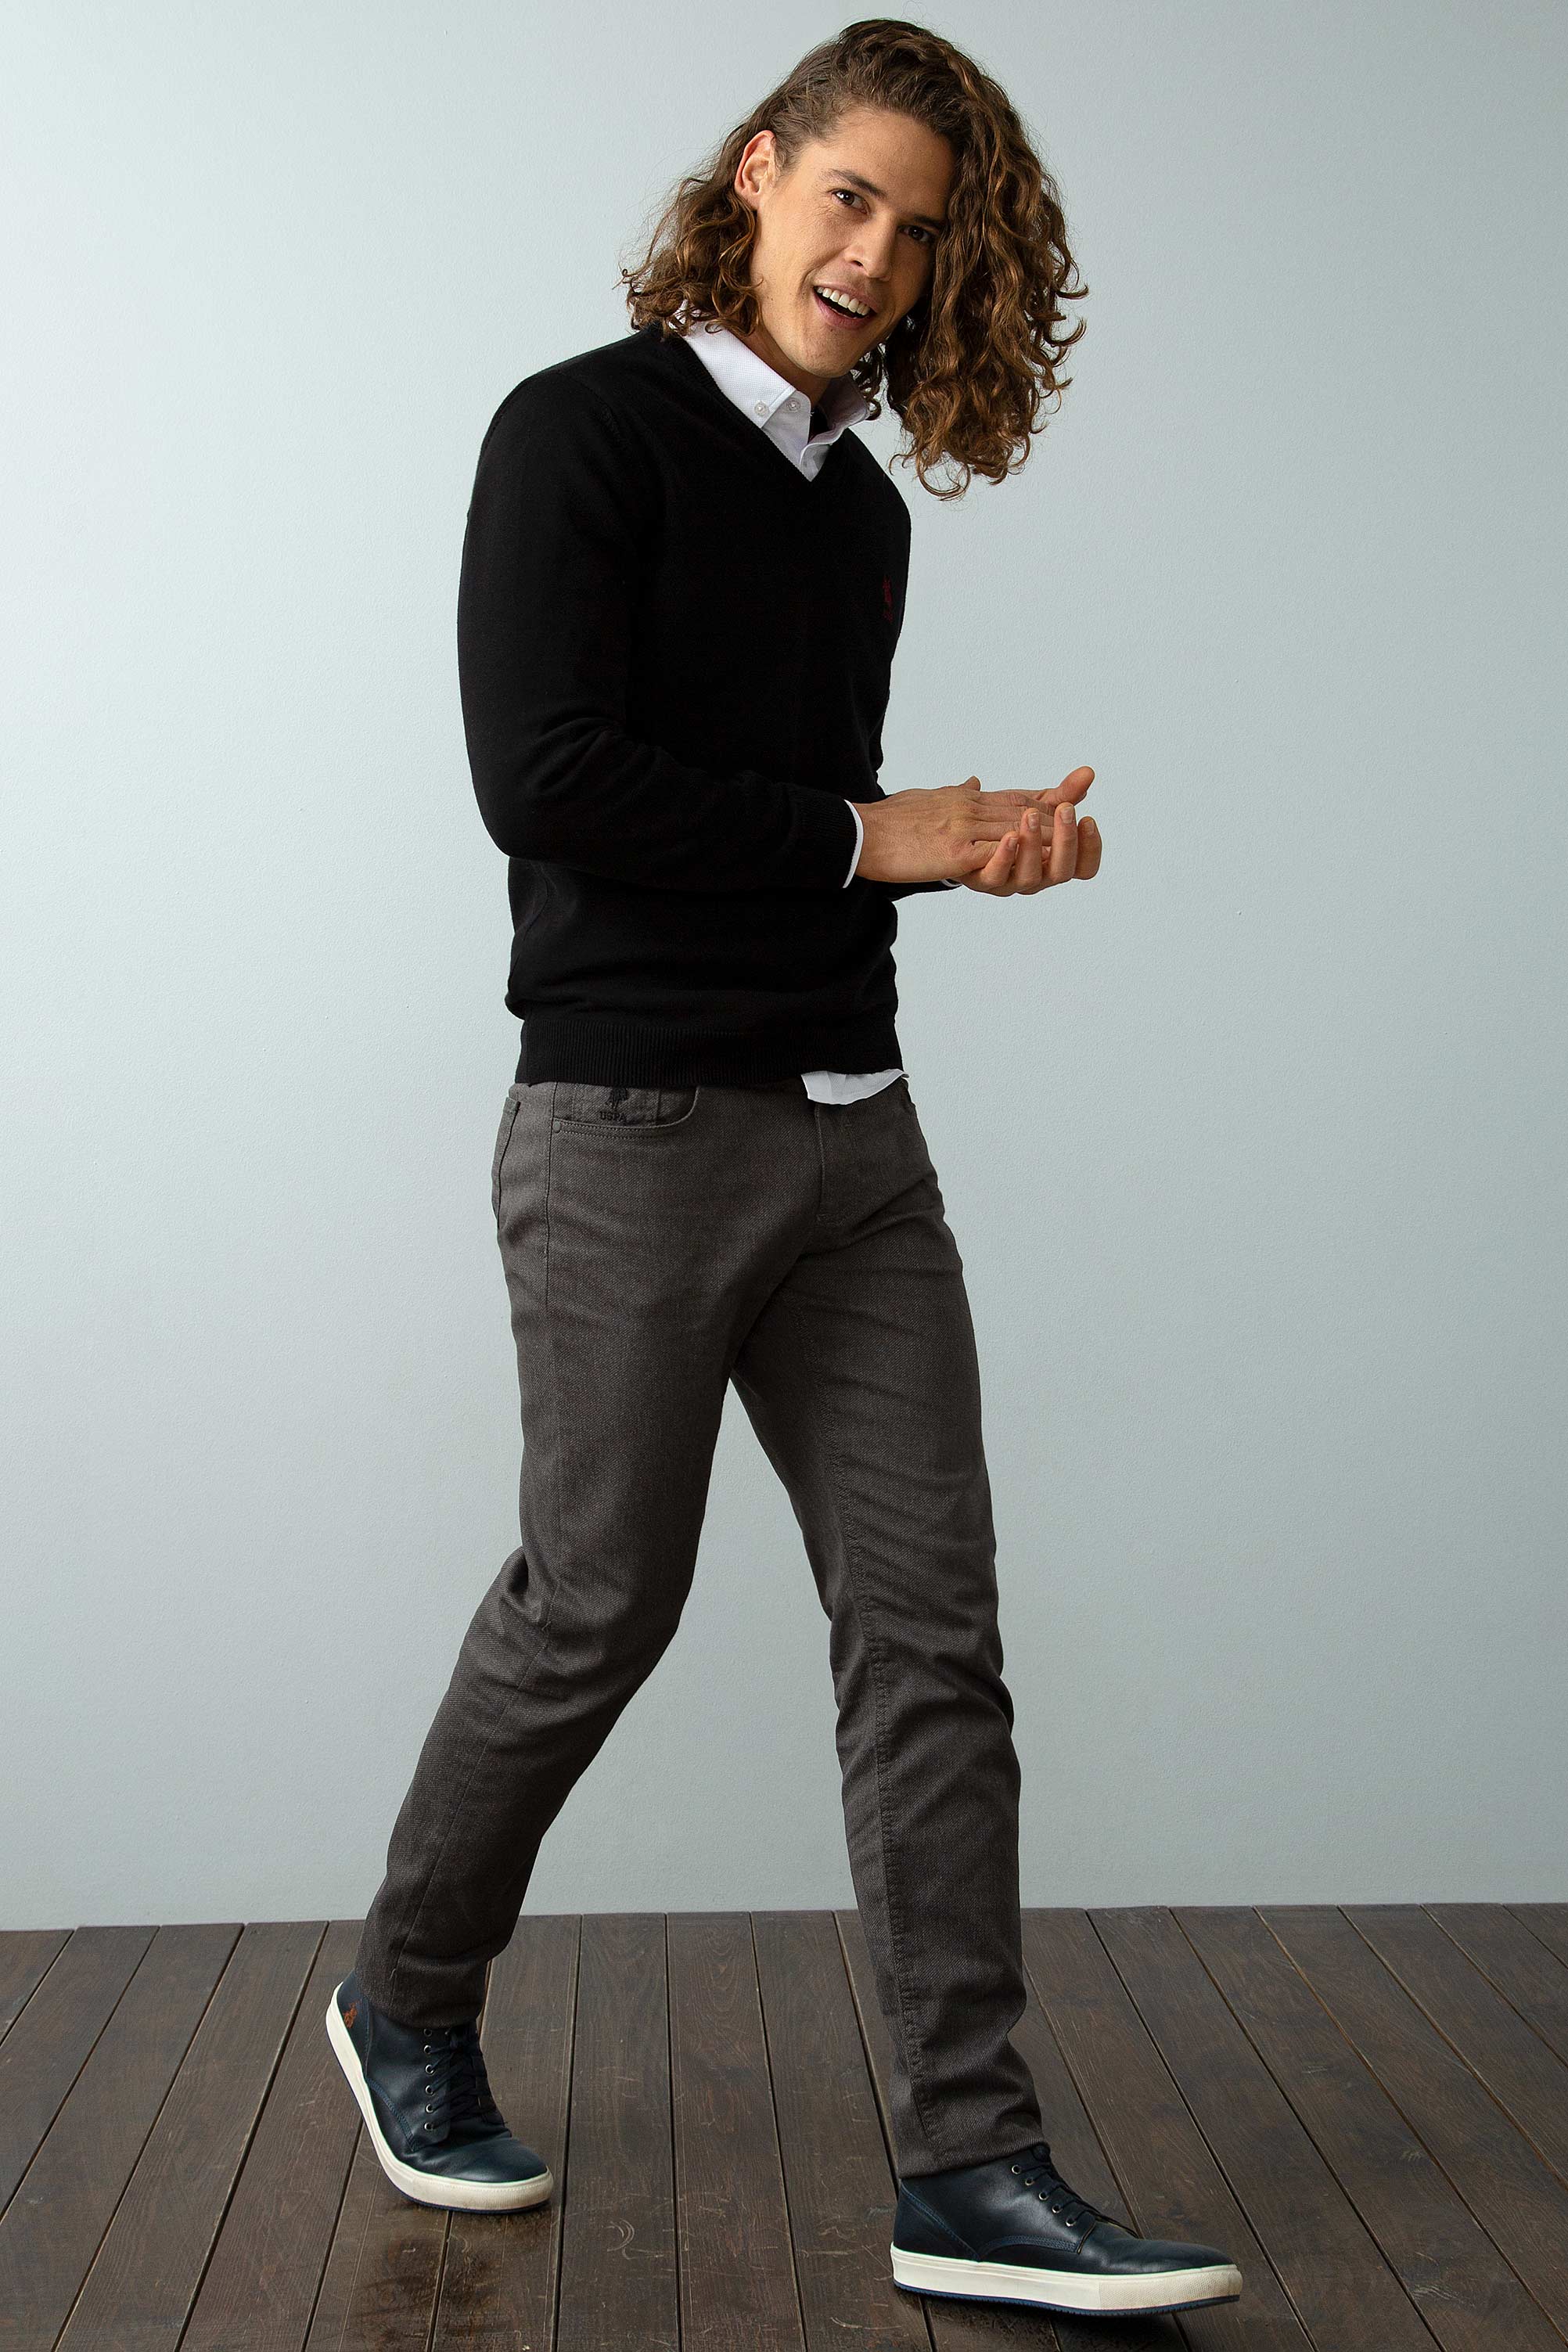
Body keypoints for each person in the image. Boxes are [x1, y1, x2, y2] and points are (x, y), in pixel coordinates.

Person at [325, 18, 1242, 2321]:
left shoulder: (856, 512)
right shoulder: (578, 434)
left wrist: (964, 855)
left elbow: (807, 835)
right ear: (755, 174)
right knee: (596, 1605)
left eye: (920, 234)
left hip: (857, 1136)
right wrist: (870, 836)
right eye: (849, 198)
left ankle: (975, 2165)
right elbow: (545, 780)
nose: (875, 257)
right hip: (632, 1131)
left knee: (932, 1644)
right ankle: (405, 1998)